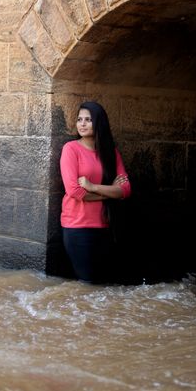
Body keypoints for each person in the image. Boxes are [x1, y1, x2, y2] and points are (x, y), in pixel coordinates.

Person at [59, 101, 131, 283]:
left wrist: (93, 187)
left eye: (88, 120)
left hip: (106, 226)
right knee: (88, 284)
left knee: (104, 287)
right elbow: (74, 191)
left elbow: (125, 189)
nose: (82, 124)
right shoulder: (71, 149)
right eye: (79, 119)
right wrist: (109, 192)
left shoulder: (110, 152)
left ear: (99, 123)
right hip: (77, 227)